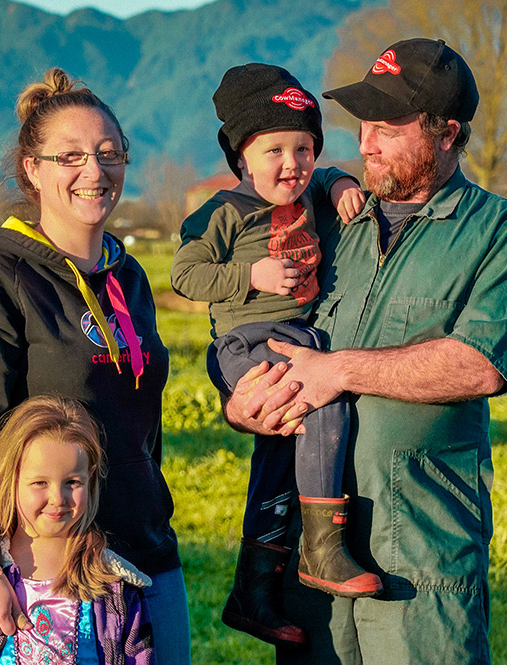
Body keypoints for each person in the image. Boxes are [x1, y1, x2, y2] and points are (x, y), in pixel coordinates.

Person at [223, 39, 507, 664]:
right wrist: (243, 405)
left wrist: (337, 369)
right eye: (363, 127)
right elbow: (260, 323)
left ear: (447, 133)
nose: (366, 143)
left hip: (419, 553)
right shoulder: (327, 221)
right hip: (312, 551)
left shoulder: (506, 234)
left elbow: (478, 364)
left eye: (387, 128)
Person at [0, 68, 190, 665]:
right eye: (70, 156)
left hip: (146, 552)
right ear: (33, 169)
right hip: (46, 572)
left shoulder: (130, 278)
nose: (94, 172)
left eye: (108, 154)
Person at [170, 63, 378, 649]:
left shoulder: (313, 189)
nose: (292, 163)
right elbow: (185, 274)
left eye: (305, 149)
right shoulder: (223, 213)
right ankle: (322, 548)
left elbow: (328, 175)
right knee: (321, 402)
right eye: (274, 150)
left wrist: (337, 182)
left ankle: (254, 594)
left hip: (296, 335)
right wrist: (251, 273)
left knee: (276, 465)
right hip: (246, 341)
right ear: (242, 156)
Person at [0, 395, 156, 665]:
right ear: (10, 479)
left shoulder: (117, 590)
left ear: (91, 477)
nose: (58, 498)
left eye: (72, 482)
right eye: (40, 482)